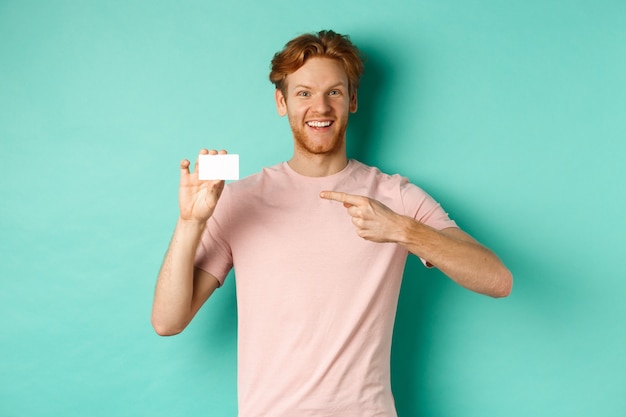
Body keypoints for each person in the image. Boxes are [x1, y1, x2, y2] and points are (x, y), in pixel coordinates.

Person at [151, 30, 512, 417]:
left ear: (353, 100)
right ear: (281, 101)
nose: (320, 107)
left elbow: (497, 280)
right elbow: (167, 321)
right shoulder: (240, 199)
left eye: (334, 93)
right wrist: (190, 222)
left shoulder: (394, 197)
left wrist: (403, 230)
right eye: (304, 93)